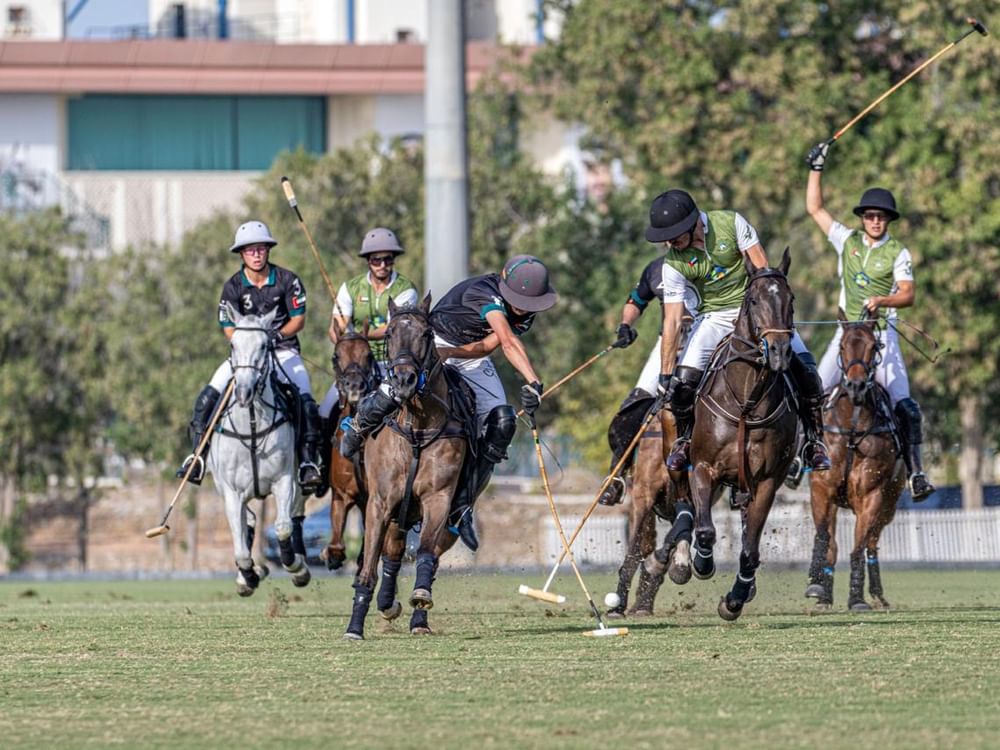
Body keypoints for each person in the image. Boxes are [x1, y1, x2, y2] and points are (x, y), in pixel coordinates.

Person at [340, 255, 557, 551]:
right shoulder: (484, 291)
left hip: (468, 355)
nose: (521, 307)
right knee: (397, 391)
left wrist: (456, 353)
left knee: (503, 422)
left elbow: (488, 345)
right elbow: (506, 341)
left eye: (527, 303)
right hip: (432, 343)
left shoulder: (525, 312)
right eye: (518, 300)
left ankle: (463, 504)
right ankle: (358, 425)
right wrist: (533, 381)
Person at [641, 189, 831, 475]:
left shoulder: (731, 224)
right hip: (712, 318)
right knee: (682, 385)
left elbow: (763, 271)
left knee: (807, 372)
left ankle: (814, 442)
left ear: (693, 223)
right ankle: (683, 441)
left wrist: (769, 318)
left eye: (673, 234)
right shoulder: (674, 263)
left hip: (756, 313)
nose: (669, 242)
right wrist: (666, 374)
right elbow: (672, 320)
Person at [801, 141, 935, 500]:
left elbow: (908, 294)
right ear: (863, 218)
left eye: (881, 216)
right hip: (846, 337)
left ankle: (916, 472)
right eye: (870, 215)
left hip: (882, 338)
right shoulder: (847, 241)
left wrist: (883, 300)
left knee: (905, 405)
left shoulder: (898, 252)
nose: (875, 221)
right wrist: (816, 168)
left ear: (888, 219)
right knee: (812, 390)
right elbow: (814, 208)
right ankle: (802, 455)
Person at [175, 220, 323, 494]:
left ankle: (306, 462)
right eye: (250, 250)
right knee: (208, 395)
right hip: (245, 357)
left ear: (268, 250)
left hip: (283, 351)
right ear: (241, 254)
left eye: (261, 249)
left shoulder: (287, 280)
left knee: (305, 398)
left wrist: (272, 338)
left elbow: (298, 319)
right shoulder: (233, 286)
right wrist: (249, 346)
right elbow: (227, 326)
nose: (256, 254)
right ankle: (197, 457)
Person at [314, 227, 418, 496]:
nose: (382, 264)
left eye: (387, 259)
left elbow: (397, 326)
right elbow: (335, 327)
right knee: (325, 410)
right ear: (367, 261)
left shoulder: (406, 290)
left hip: (391, 364)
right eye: (376, 259)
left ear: (393, 259)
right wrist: (340, 333)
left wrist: (361, 334)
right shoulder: (351, 288)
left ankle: (412, 474)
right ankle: (320, 467)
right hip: (355, 368)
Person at [595, 261, 697, 506]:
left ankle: (740, 484)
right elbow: (636, 300)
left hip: (703, 337)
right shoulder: (654, 269)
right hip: (668, 342)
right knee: (634, 404)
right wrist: (625, 325)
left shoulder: (707, 260)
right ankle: (616, 476)